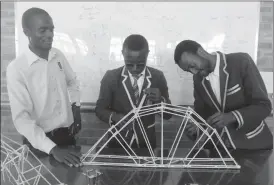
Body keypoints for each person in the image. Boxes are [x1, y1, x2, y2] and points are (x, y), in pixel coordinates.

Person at [6, 7, 82, 167]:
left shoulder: (57, 55)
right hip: (39, 145)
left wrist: (76, 107)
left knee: (71, 179)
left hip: (67, 137)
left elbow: (72, 81)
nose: (50, 35)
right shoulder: (17, 68)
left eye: (51, 29)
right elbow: (22, 119)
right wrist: (53, 149)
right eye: (42, 30)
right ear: (27, 32)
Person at [173, 40, 273, 152]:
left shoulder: (241, 61)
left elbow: (264, 106)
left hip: (253, 146)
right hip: (222, 149)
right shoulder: (198, 79)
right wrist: (195, 127)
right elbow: (202, 115)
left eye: (192, 65)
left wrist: (232, 116)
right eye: (189, 70)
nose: (194, 72)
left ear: (200, 52)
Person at [95, 34, 172, 151]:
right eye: (129, 64)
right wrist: (115, 117)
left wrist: (160, 101)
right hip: (118, 143)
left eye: (140, 64)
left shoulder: (158, 77)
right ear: (122, 53)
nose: (135, 69)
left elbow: (168, 115)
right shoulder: (111, 77)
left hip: (147, 144)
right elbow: (100, 109)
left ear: (147, 54)